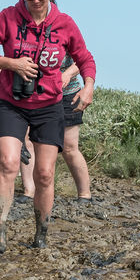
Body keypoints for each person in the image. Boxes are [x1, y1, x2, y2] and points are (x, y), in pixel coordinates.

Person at [0, 0, 96, 251]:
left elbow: (85, 59)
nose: (35, 2)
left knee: (44, 174)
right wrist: (10, 64)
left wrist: (89, 86)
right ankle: (0, 232)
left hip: (49, 105)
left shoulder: (65, 23)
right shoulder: (8, 17)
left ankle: (41, 233)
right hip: (12, 103)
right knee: (7, 162)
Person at [58, 53, 94, 201]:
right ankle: (30, 192)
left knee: (70, 147)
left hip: (68, 95)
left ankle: (85, 195)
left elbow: (83, 60)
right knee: (31, 143)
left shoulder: (67, 30)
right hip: (37, 95)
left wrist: (67, 74)